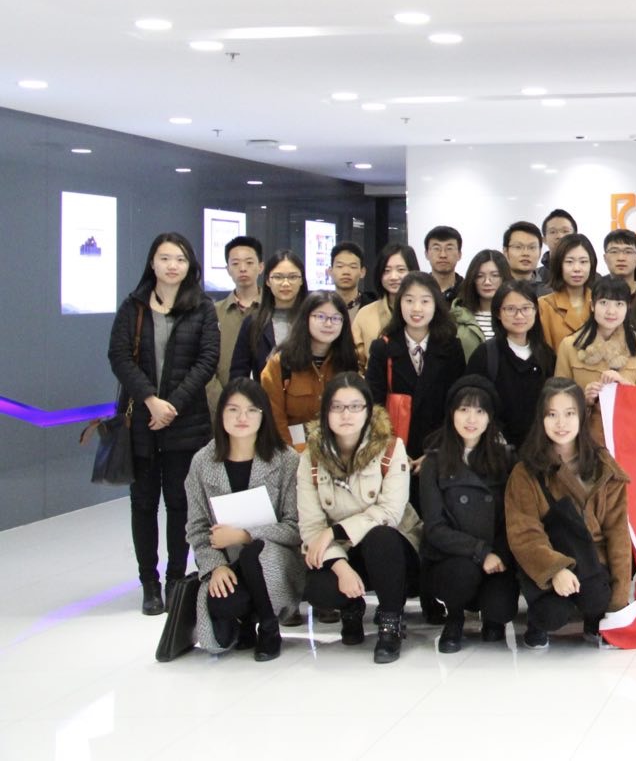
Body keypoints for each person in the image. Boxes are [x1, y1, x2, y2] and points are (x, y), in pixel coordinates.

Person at [108, 232, 221, 615]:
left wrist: (172, 405)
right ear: (152, 263)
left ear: (190, 266)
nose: (173, 265)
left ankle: (175, 579)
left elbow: (207, 360)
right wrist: (151, 401)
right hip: (141, 421)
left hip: (186, 422)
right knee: (142, 503)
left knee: (179, 503)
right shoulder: (133, 306)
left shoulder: (202, 307)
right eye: (165, 258)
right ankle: (149, 584)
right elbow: (119, 356)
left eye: (180, 259)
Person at [297, 374, 422, 664]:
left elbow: (389, 512)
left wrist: (334, 532)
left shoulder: (391, 448)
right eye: (337, 407)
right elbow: (311, 526)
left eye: (355, 406)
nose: (346, 415)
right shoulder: (310, 458)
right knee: (319, 587)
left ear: (368, 410)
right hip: (343, 551)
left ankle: (391, 622)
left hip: (392, 547)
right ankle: (351, 608)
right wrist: (340, 567)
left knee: (381, 537)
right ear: (325, 411)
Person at [505, 379, 632, 649]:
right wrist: (556, 569)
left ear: (582, 416)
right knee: (552, 614)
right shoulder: (525, 471)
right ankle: (538, 622)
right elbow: (524, 533)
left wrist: (618, 605)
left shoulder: (603, 466)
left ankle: (594, 618)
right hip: (548, 557)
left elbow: (617, 532)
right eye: (552, 414)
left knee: (597, 598)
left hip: (592, 562)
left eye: (569, 413)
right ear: (541, 419)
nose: (561, 423)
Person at [183, 379, 303, 661]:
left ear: (263, 415)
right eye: (233, 409)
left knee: (253, 555)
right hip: (227, 558)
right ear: (221, 414)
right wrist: (215, 567)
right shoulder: (202, 462)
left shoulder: (286, 460)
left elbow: (295, 528)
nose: (242, 417)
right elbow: (197, 529)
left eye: (251, 410)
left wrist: (245, 535)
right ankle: (245, 621)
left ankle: (270, 629)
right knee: (223, 602)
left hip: (274, 557)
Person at [419, 376, 518, 652]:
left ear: (490, 418)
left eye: (479, 411)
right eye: (463, 409)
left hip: (497, 555)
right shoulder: (434, 461)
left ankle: (491, 616)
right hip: (453, 557)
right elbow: (435, 527)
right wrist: (480, 551)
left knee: (500, 608)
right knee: (461, 577)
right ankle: (455, 617)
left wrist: (498, 553)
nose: (471, 419)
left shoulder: (506, 458)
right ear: (452, 413)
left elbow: (514, 517)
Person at [365, 271, 467, 452]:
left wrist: (436, 451)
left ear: (436, 305)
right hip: (393, 448)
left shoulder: (451, 348)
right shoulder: (382, 348)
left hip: (438, 449)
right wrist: (392, 450)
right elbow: (374, 405)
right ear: (400, 304)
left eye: (425, 301)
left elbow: (457, 404)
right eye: (409, 300)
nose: (416, 308)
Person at [554, 275, 636, 438]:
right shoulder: (570, 345)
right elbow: (558, 398)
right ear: (592, 305)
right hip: (582, 434)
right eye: (604, 303)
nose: (611, 311)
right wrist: (584, 399)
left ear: (628, 307)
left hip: (626, 434)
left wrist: (624, 385)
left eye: (619, 304)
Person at [260, 291, 359, 447]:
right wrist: (292, 456)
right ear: (305, 318)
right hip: (293, 451)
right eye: (320, 317)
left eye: (336, 318)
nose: (328, 324)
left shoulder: (350, 362)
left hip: (339, 450)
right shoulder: (280, 364)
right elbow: (275, 419)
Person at [465, 280, 555, 451]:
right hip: (495, 451)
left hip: (540, 449)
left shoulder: (547, 355)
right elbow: (471, 403)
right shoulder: (485, 355)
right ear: (498, 313)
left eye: (526, 308)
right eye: (511, 309)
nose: (519, 316)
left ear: (536, 311)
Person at [229, 249, 306, 381]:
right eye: (278, 277)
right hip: (264, 392)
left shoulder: (313, 319)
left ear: (302, 280)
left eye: (293, 277)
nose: (285, 283)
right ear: (267, 281)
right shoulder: (253, 322)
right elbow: (238, 373)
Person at [208, 235, 262, 410]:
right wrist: (224, 403)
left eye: (249, 262)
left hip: (270, 404)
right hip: (223, 404)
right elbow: (205, 364)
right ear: (228, 269)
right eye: (235, 263)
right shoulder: (213, 313)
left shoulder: (273, 310)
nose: (243, 269)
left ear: (261, 267)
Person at [351, 243, 419, 368]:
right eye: (386, 271)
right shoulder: (365, 314)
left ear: (413, 271)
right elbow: (356, 362)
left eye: (401, 270)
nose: (393, 277)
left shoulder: (425, 312)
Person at [538, 233, 598, 354]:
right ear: (559, 265)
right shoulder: (544, 305)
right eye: (569, 262)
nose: (577, 268)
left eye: (583, 262)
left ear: (591, 265)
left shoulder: (601, 303)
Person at [450, 249, 511, 361]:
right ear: (472, 279)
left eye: (495, 275)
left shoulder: (516, 315)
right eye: (480, 276)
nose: (487, 282)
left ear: (504, 278)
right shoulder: (457, 316)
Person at [535, 209, 577, 289]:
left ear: (576, 237)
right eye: (553, 232)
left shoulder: (592, 278)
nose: (559, 236)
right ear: (544, 240)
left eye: (565, 231)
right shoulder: (535, 277)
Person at [328, 241, 374, 312]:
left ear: (362, 272)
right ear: (330, 271)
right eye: (340, 266)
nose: (346, 272)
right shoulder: (320, 307)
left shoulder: (374, 309)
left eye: (353, 267)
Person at [423, 225, 463, 302]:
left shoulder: (468, 291)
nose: (443, 255)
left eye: (449, 248)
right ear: (426, 254)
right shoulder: (419, 289)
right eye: (436, 248)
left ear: (459, 254)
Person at [502, 220, 544, 286]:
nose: (525, 253)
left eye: (532, 247)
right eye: (518, 247)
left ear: (540, 252)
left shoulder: (549, 291)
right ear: (505, 251)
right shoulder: (493, 288)